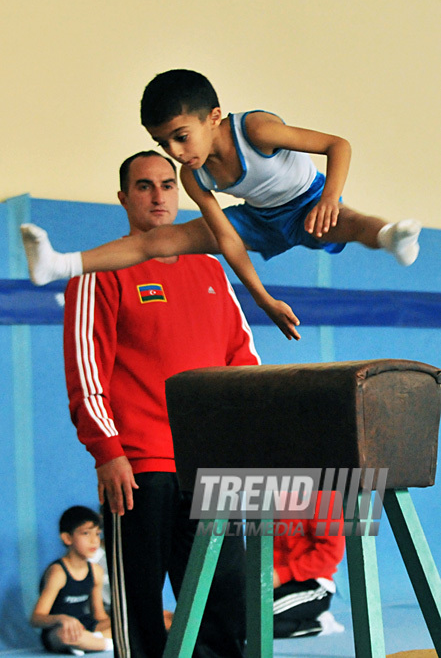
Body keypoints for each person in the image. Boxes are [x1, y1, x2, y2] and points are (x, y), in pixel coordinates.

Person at [20, 69, 421, 340]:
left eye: (181, 136)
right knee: (160, 240)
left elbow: (339, 145)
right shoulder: (193, 175)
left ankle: (391, 237)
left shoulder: (256, 130)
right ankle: (59, 264)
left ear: (213, 117)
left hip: (309, 203)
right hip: (258, 220)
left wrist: (331, 197)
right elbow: (227, 238)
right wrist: (263, 299)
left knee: (350, 222)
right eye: (164, 143)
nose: (175, 152)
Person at [62, 150, 260, 658]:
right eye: (145, 186)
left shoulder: (211, 268)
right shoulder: (99, 270)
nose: (158, 195)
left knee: (224, 602)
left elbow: (242, 362)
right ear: (124, 197)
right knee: (141, 610)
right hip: (138, 469)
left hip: (208, 467)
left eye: (167, 185)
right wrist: (108, 451)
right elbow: (87, 371)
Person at [30, 506, 113, 655]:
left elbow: (99, 616)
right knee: (67, 636)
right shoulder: (58, 572)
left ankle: (91, 642)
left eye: (97, 534)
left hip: (86, 626)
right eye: (86, 533)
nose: (94, 540)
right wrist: (61, 618)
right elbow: (36, 618)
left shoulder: (96, 571)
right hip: (60, 631)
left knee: (127, 624)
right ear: (67, 538)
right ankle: (104, 643)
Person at [273, 492, 345, 639]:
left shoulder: (323, 493)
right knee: (229, 614)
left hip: (313, 581)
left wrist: (282, 575)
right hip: (274, 578)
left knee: (256, 620)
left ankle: (321, 624)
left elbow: (331, 552)